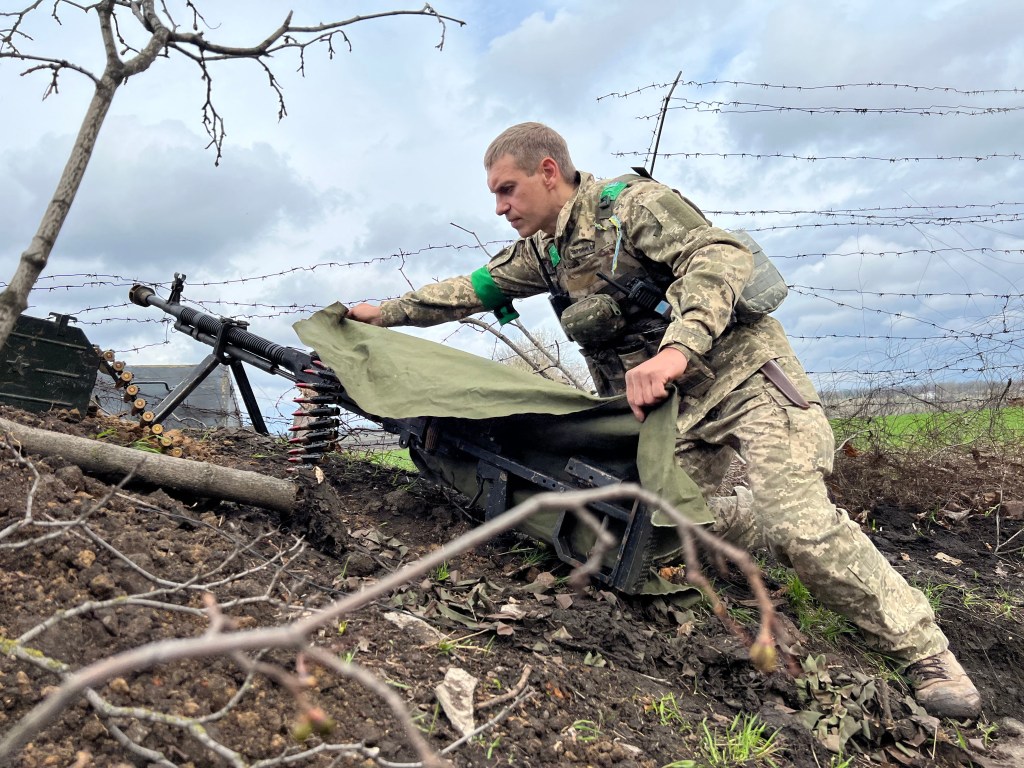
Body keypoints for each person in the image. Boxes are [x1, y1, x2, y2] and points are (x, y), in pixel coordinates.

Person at [347, 122, 982, 720]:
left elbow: (719, 257)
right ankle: (764, 521)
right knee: (657, 530)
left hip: (745, 381)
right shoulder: (545, 253)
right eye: (493, 195)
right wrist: (385, 314)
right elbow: (473, 289)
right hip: (672, 415)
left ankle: (926, 655)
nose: (499, 207)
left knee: (803, 527)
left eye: (506, 190)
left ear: (548, 172)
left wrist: (678, 348)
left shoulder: (631, 206)